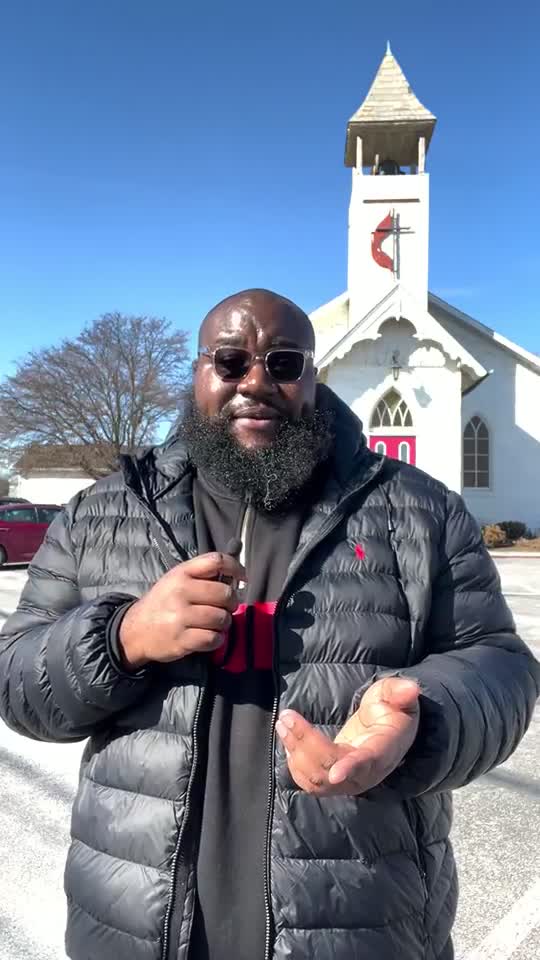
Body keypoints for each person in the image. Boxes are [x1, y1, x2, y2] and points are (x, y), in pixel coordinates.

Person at [0, 289, 538, 960]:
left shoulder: (417, 511)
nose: (256, 381)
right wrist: (122, 638)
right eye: (230, 361)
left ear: (313, 378)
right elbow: (16, 681)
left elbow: (499, 664)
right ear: (198, 373)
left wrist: (424, 719)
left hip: (361, 928)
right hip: (135, 928)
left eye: (284, 363)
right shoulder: (101, 514)